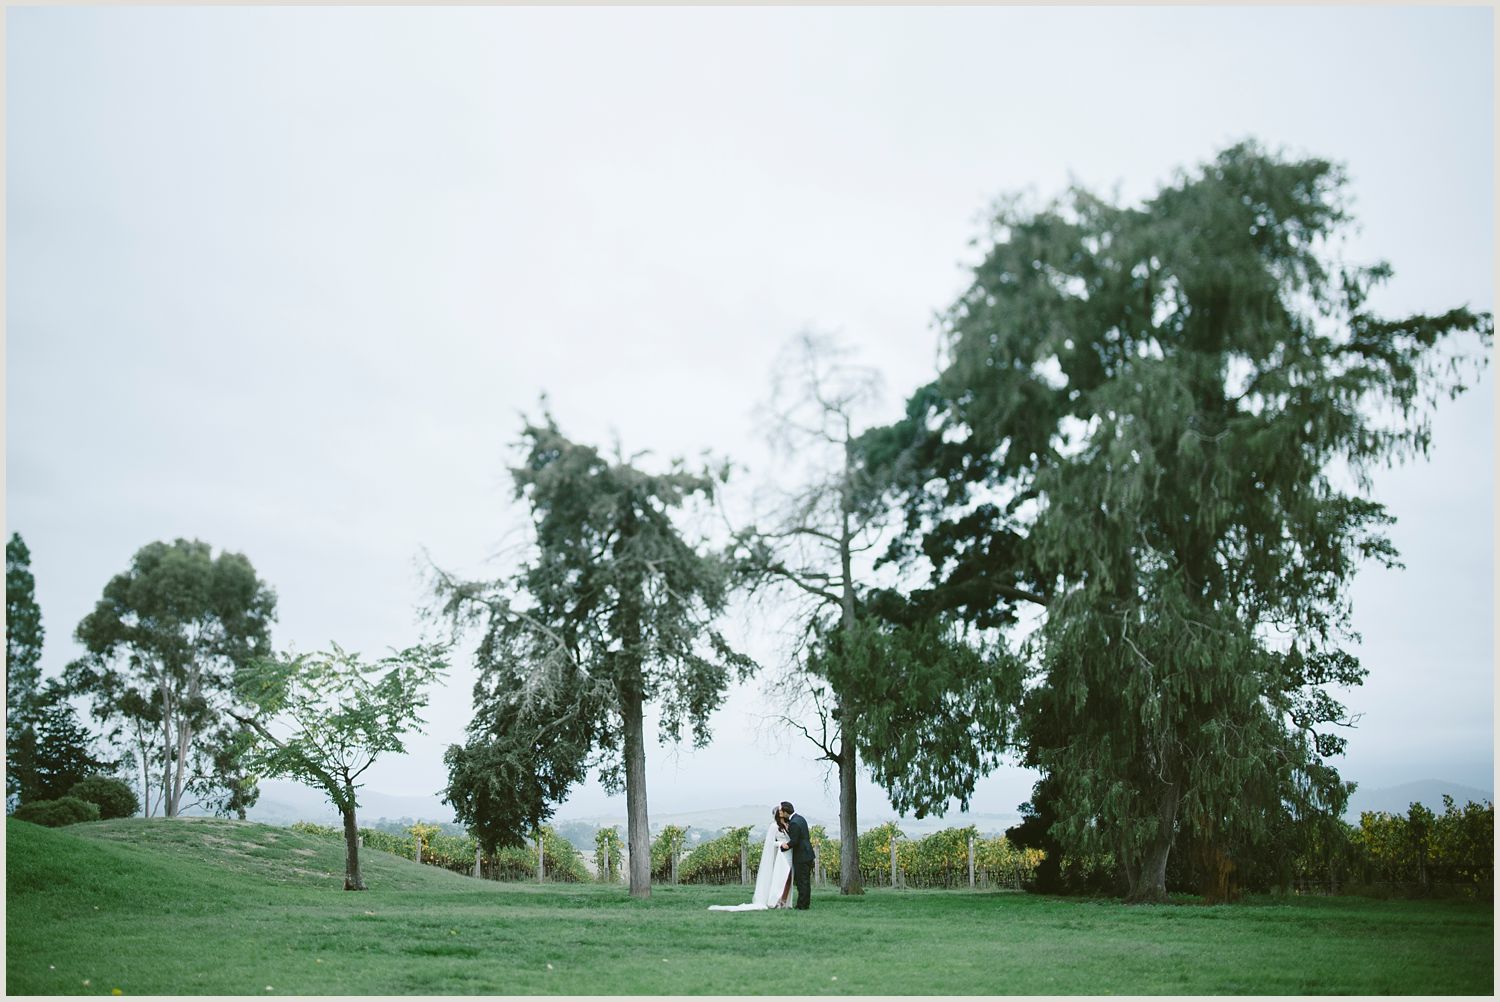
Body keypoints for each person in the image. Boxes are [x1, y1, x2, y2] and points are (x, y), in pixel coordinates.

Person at [707, 806, 794, 911]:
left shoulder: (788, 825)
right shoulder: (774, 826)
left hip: (789, 854)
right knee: (781, 878)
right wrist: (780, 843)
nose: (782, 813)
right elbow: (770, 843)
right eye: (780, 811)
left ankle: (784, 900)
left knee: (789, 878)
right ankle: (777, 900)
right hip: (780, 855)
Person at [778, 800, 815, 910]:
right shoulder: (800, 818)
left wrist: (784, 847)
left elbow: (794, 841)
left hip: (801, 856)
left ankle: (802, 906)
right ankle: (805, 904)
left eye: (781, 810)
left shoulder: (794, 823)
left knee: (801, 882)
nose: (780, 812)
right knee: (806, 881)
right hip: (808, 854)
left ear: (785, 812)